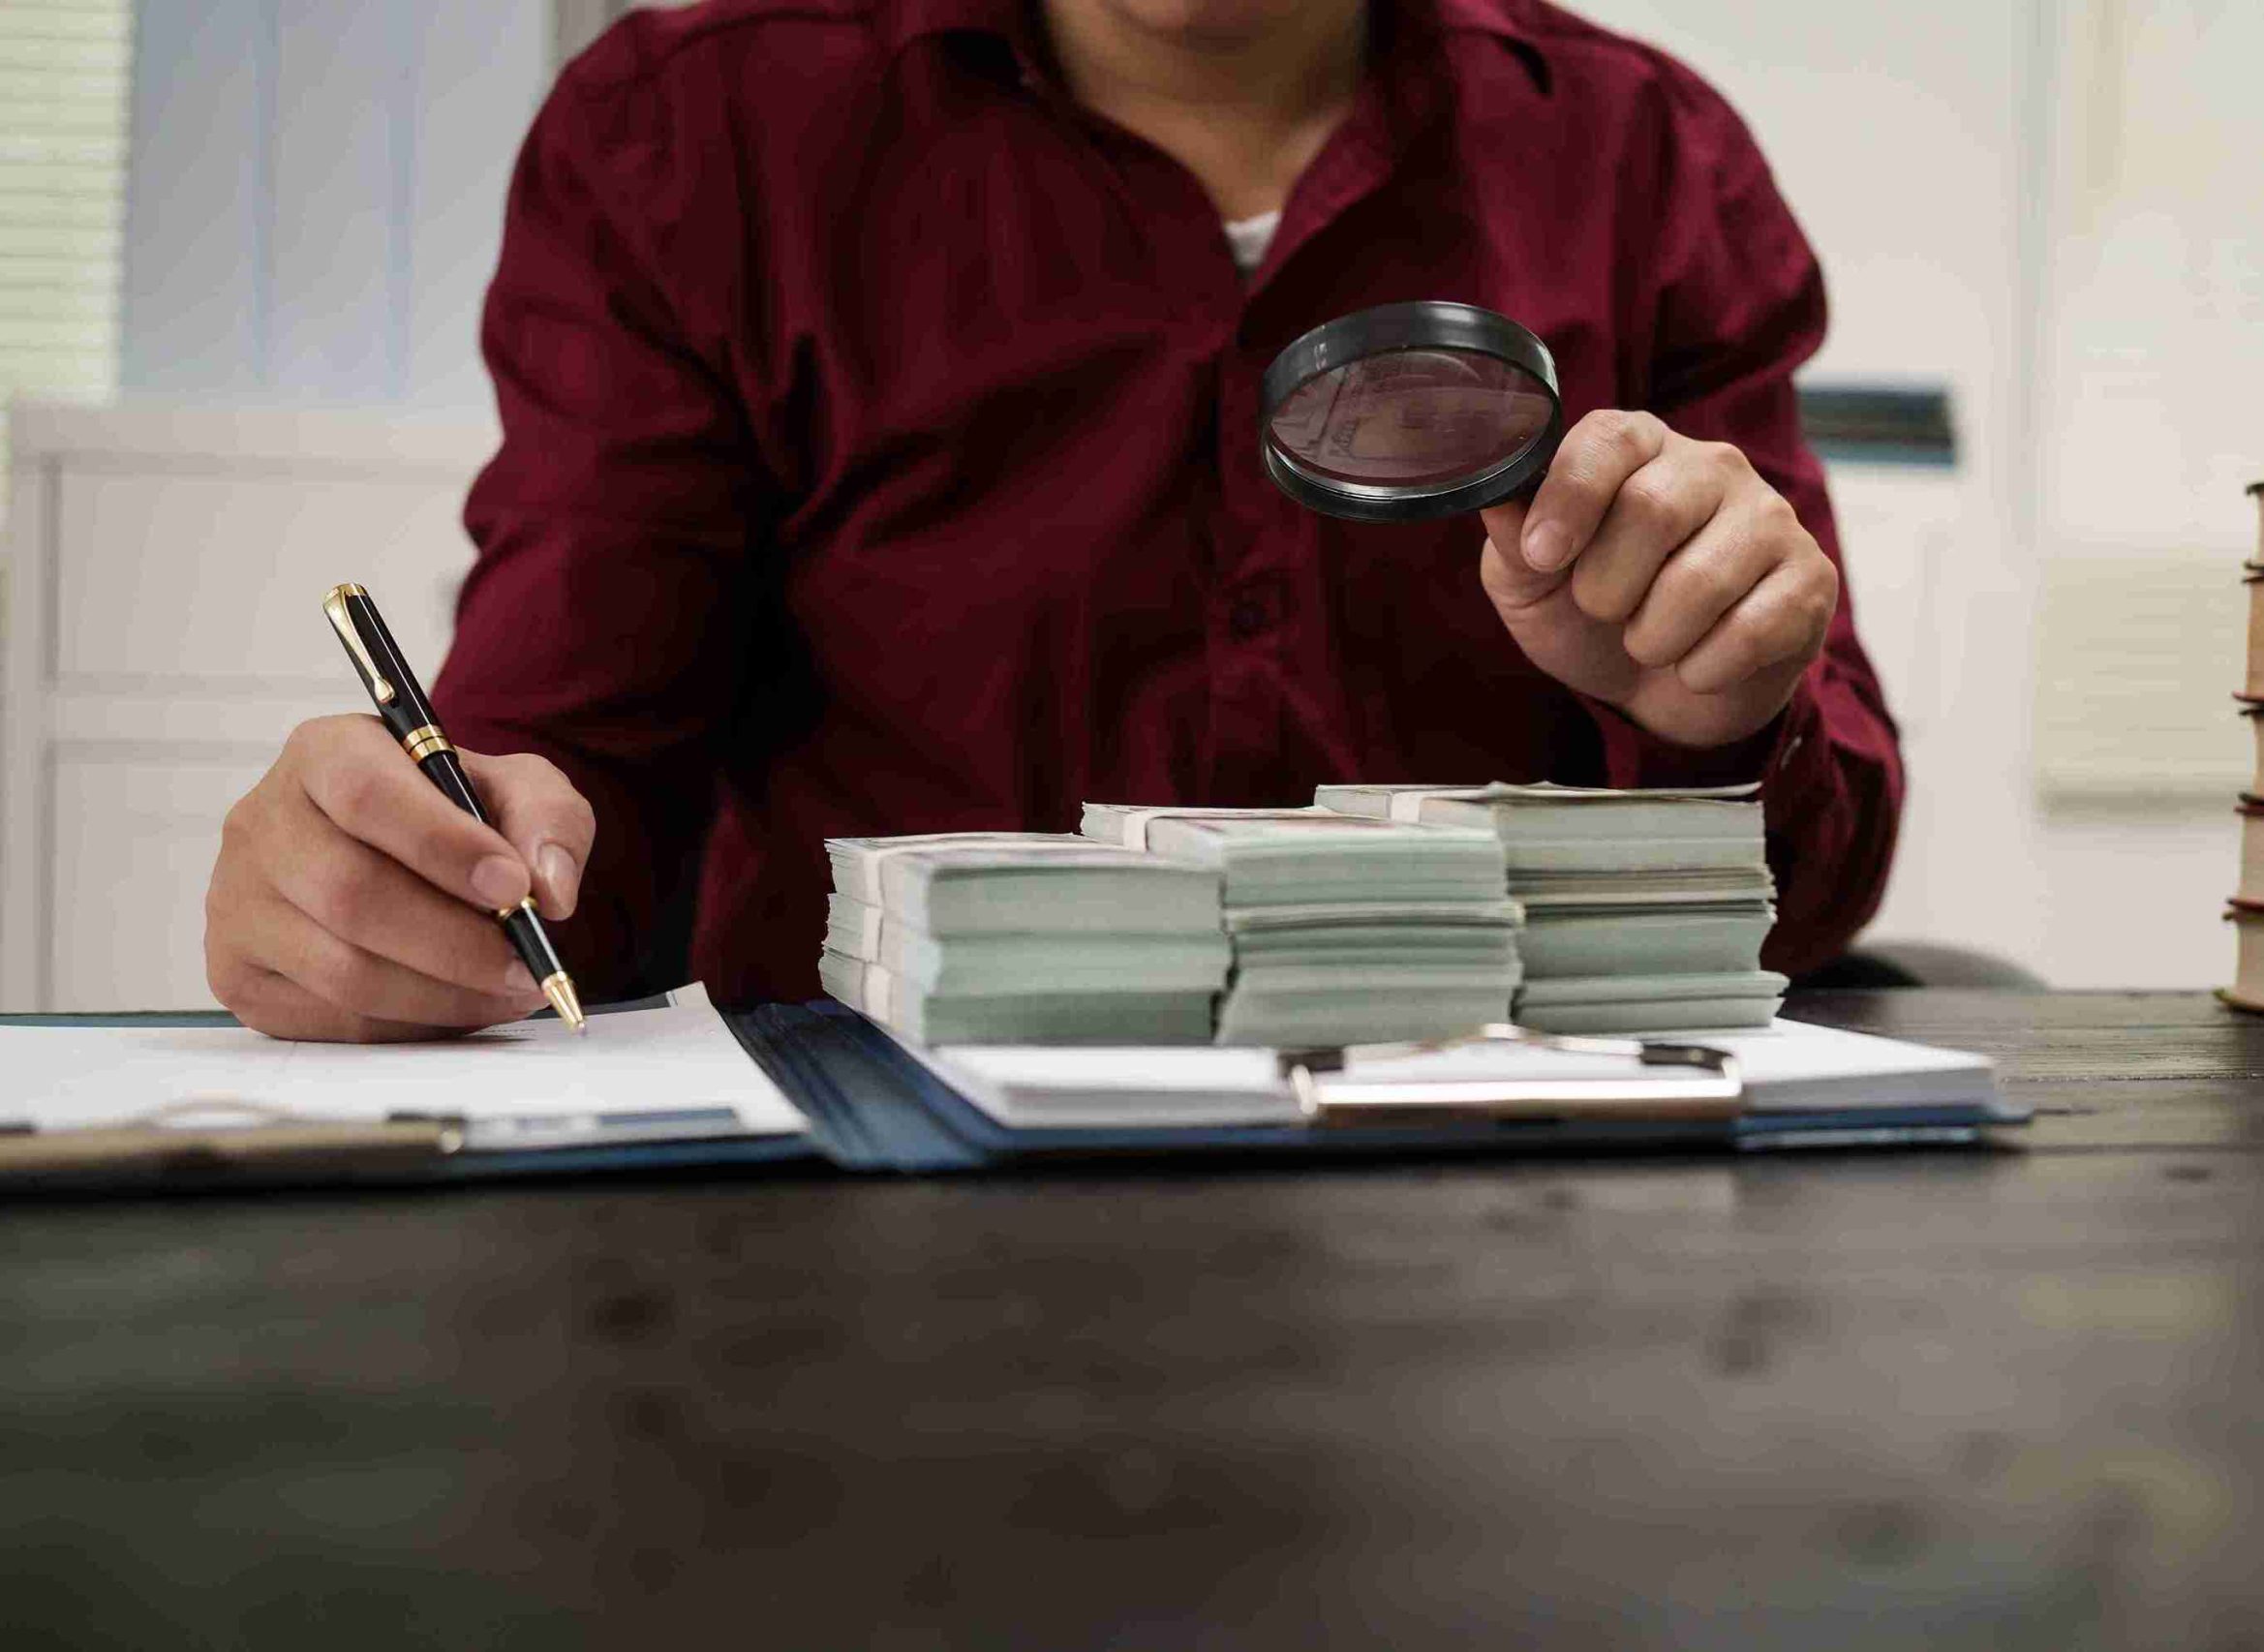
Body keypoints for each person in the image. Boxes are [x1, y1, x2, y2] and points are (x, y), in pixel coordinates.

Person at [204, 0, 1903, 1041]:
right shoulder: (693, 140)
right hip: (858, 1255)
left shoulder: (1650, 164)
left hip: (1487, 1238)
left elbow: (1804, 902)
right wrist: (414, 880)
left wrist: (1714, 716)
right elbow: (567, 787)